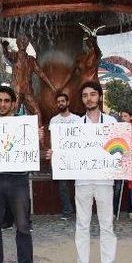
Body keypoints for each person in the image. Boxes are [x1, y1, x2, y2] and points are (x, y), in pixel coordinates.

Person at [48, 81, 124, 263]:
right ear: (81, 99)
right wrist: (54, 154)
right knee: (82, 222)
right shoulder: (75, 125)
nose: (89, 98)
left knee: (106, 222)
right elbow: (64, 152)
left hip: (105, 180)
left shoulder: (111, 123)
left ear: (99, 96)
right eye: (85, 95)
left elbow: (118, 151)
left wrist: (126, 152)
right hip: (82, 180)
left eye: (92, 94)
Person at [0, 85, 40, 263]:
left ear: (13, 103)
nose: (3, 104)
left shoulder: (24, 125)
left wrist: (37, 137)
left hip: (18, 180)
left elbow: (33, 150)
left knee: (23, 224)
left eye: (7, 101)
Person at [48, 92, 79, 220]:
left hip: (75, 157)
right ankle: (67, 211)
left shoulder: (77, 119)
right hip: (60, 158)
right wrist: (52, 156)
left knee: (78, 186)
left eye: (63, 101)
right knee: (63, 187)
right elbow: (51, 140)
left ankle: (80, 211)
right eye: (58, 101)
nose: (60, 103)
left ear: (68, 102)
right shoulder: (54, 120)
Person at [113, 110, 132, 221]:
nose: (123, 118)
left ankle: (131, 211)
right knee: (118, 188)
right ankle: (114, 212)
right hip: (120, 162)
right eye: (121, 116)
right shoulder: (117, 129)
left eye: (125, 116)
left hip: (131, 161)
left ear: (130, 117)